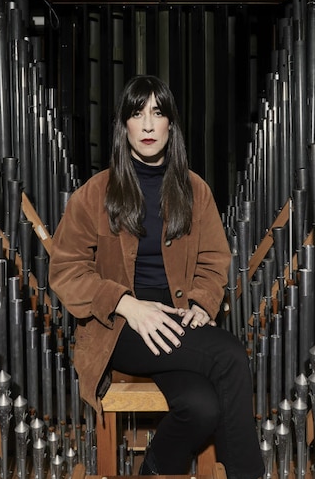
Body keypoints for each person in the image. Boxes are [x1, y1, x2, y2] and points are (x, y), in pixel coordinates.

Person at [49, 75, 263, 478]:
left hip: (175, 323)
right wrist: (126, 304)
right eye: (137, 113)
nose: (147, 125)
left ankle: (151, 469)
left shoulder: (194, 190)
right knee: (231, 357)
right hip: (118, 328)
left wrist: (202, 300)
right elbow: (65, 270)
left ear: (171, 124)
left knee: (201, 408)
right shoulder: (95, 193)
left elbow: (216, 258)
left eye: (158, 113)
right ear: (124, 124)